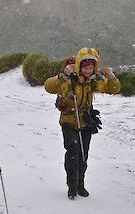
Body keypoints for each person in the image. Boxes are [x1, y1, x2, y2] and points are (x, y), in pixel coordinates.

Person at [44, 47, 121, 199]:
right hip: (68, 121)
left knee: (83, 155)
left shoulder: (94, 80)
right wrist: (63, 75)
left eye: (91, 67)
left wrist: (110, 76)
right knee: (73, 154)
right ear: (79, 66)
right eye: (85, 67)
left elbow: (113, 89)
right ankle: (72, 186)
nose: (88, 70)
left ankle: (80, 184)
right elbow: (49, 87)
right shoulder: (68, 79)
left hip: (86, 122)